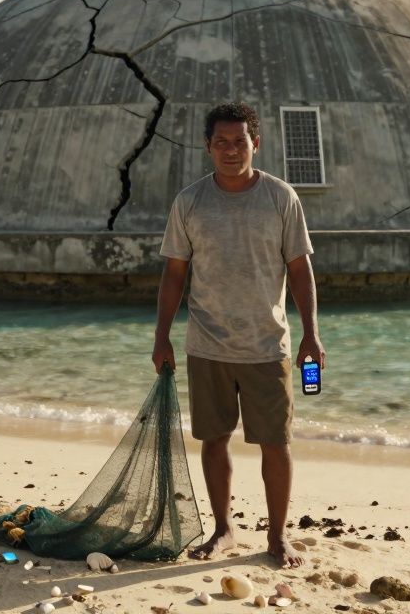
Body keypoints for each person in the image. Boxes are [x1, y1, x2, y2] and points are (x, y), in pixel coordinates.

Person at [151, 101, 325, 569]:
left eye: (240, 141)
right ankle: (224, 528)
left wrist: (311, 333)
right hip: (207, 345)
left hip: (268, 345)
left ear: (256, 144)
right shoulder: (189, 202)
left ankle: (277, 536)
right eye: (222, 142)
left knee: (276, 442)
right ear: (208, 147)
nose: (231, 150)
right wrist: (161, 336)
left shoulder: (280, 197)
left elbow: (300, 268)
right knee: (214, 438)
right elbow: (173, 275)